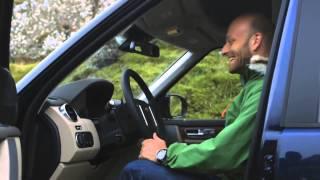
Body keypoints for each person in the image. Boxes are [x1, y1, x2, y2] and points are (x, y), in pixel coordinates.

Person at [119, 13, 274, 180]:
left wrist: (163, 154)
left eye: (231, 41)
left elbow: (224, 153)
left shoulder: (262, 91)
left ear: (255, 41)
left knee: (135, 171)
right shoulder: (254, 86)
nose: (223, 50)